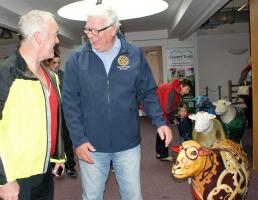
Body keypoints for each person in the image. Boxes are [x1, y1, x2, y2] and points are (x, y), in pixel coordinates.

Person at [62, 4, 172, 200]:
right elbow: (70, 103)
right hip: (91, 145)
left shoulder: (134, 55)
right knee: (92, 196)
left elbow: (147, 91)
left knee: (132, 196)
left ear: (113, 29)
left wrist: (159, 121)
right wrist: (78, 140)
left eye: (96, 30)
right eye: (87, 29)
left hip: (127, 144)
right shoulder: (77, 60)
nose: (90, 35)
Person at [0, 10, 65, 200]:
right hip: (15, 176)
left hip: (44, 172)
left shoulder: (51, 77)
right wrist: (4, 178)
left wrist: (58, 155)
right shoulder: (6, 73)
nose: (57, 41)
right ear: (38, 37)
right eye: (55, 35)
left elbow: (54, 118)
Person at [46, 52, 78, 178]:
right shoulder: (43, 76)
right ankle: (54, 167)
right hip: (50, 114)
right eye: (54, 62)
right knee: (52, 141)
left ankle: (70, 166)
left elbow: (69, 93)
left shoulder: (63, 75)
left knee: (67, 139)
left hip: (64, 113)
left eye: (58, 62)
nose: (57, 65)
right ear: (47, 63)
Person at [156, 78, 192, 161]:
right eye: (186, 89)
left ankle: (159, 153)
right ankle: (163, 155)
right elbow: (167, 109)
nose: (186, 92)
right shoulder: (173, 90)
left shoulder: (174, 89)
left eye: (188, 91)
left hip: (159, 109)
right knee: (164, 132)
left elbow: (171, 106)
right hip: (160, 111)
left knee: (160, 132)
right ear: (181, 86)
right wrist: (173, 119)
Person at [238, 56, 252, 128]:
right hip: (248, 93)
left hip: (251, 93)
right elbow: (240, 81)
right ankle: (249, 123)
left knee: (251, 107)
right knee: (251, 107)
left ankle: (250, 122)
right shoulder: (248, 70)